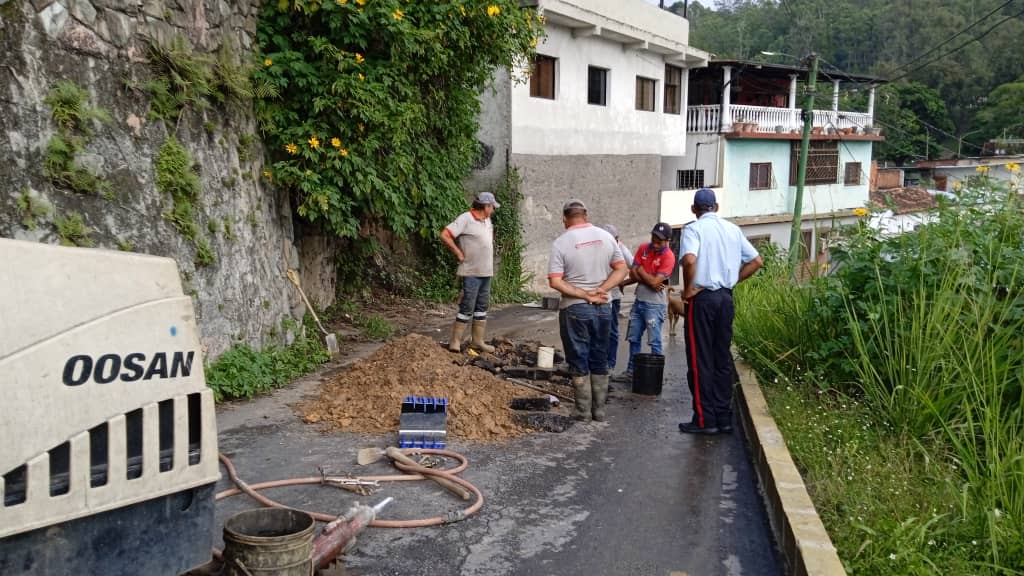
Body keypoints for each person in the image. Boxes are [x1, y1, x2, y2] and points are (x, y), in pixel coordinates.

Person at [678, 188, 763, 435]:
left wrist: (688, 289)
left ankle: (705, 420)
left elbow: (690, 260)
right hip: (726, 297)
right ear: (715, 207)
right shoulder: (732, 229)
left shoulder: (693, 229)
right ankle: (724, 418)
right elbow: (756, 261)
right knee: (721, 358)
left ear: (694, 209)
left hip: (703, 299)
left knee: (700, 358)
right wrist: (733, 280)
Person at [549, 200, 629, 421]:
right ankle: (599, 410)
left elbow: (555, 281)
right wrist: (602, 289)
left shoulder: (561, 243)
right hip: (604, 306)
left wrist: (584, 294)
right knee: (600, 355)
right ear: (586, 215)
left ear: (564, 219)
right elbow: (622, 269)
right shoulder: (606, 237)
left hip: (575, 308)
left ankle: (583, 411)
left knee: (579, 357)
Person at [613, 222, 675, 382]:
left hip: (655, 304)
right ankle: (631, 371)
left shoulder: (668, 256)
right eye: (654, 238)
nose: (655, 243)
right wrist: (648, 277)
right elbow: (635, 274)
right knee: (633, 338)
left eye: (659, 241)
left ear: (667, 240)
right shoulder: (643, 248)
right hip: (639, 300)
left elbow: (653, 281)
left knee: (655, 341)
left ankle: (655, 376)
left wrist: (641, 271)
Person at [440, 191, 501, 353]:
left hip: (485, 272)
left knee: (482, 306)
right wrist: (459, 253)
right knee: (467, 306)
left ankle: (478, 341)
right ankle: (455, 341)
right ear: (485, 206)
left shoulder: (488, 220)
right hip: (471, 271)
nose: (493, 210)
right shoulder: (466, 218)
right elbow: (445, 235)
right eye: (492, 207)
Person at [599, 224, 634, 374]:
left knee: (612, 330)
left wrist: (623, 281)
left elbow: (633, 265)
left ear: (616, 239)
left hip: (613, 296)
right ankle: (598, 362)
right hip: (600, 294)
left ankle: (610, 363)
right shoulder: (598, 247)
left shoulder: (621, 249)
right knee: (598, 330)